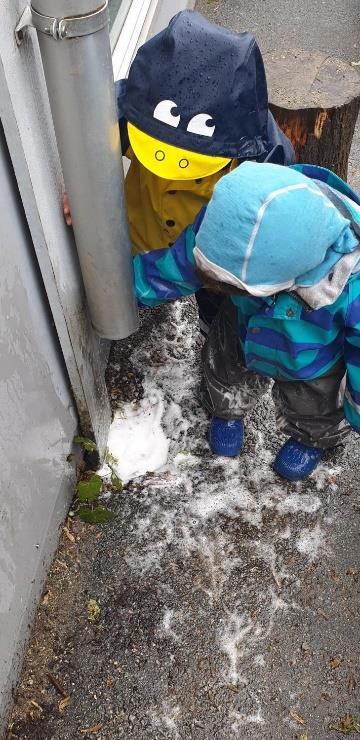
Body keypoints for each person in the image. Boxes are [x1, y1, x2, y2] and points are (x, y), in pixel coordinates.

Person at [132, 162, 360, 481]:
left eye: (231, 285)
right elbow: (183, 264)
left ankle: (311, 437)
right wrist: (131, 289)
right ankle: (227, 408)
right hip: (242, 325)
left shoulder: (351, 285)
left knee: (315, 404)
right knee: (223, 368)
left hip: (311, 357)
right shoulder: (233, 218)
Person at [114, 9, 294, 334]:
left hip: (211, 265)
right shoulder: (133, 112)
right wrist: (85, 185)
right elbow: (99, 121)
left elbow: (225, 248)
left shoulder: (260, 164)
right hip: (142, 240)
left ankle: (209, 328)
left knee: (216, 312)